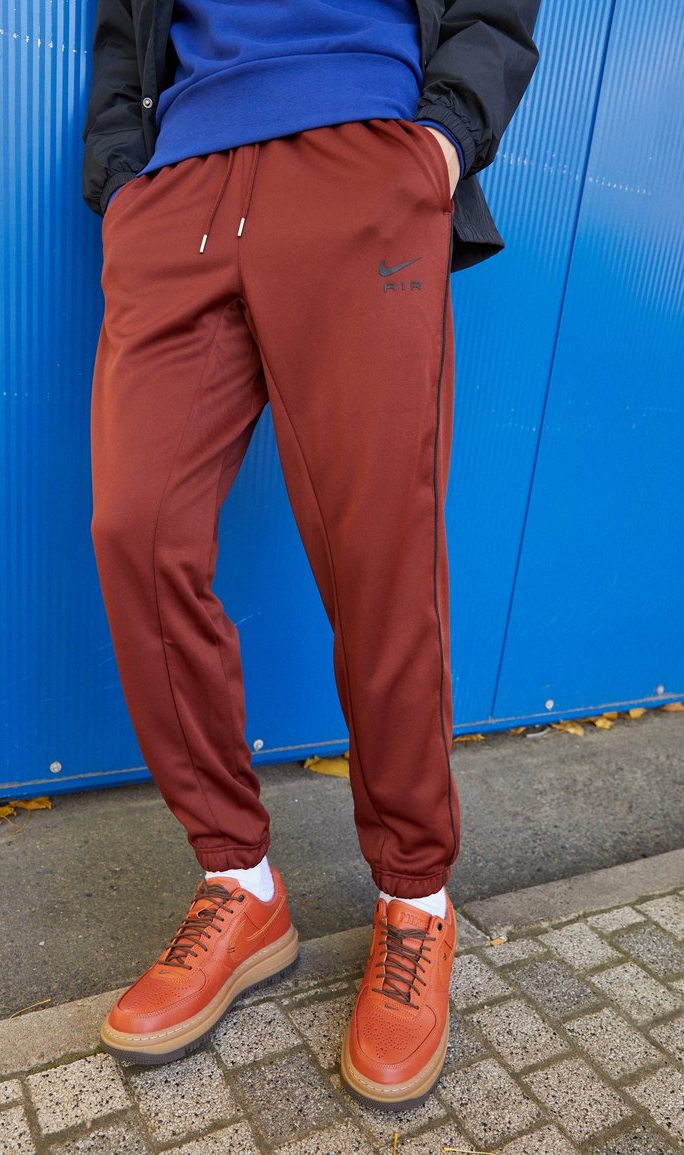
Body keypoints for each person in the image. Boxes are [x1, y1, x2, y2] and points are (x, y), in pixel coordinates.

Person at [82, 0, 540, 1109]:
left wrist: (441, 136)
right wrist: (119, 179)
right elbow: (118, 28)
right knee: (134, 528)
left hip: (359, 155)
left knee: (376, 549)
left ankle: (414, 901)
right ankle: (239, 884)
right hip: (179, 184)